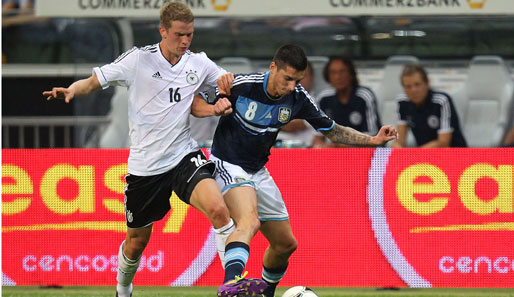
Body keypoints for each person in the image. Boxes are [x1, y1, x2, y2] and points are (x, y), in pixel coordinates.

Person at [42, 3, 265, 297]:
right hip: (145, 167)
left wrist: (223, 96)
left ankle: (233, 283)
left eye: (190, 35)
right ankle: (123, 289)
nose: (185, 41)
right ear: (163, 31)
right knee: (136, 242)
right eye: (179, 35)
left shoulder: (198, 63)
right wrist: (72, 89)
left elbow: (229, 85)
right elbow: (95, 81)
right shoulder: (138, 60)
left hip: (183, 156)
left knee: (218, 209)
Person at [192, 44, 398, 297]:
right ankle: (232, 284)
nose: (291, 86)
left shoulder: (298, 97)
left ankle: (266, 293)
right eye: (287, 78)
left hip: (257, 169)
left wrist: (372, 140)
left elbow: (331, 130)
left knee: (285, 244)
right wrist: (214, 108)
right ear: (273, 67)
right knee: (249, 221)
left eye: (297, 80)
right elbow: (196, 101)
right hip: (227, 163)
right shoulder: (241, 85)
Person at [312, 56, 382, 148]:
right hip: (335, 154)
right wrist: (319, 147)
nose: (338, 77)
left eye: (342, 72)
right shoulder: (324, 98)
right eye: (333, 72)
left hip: (365, 153)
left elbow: (373, 138)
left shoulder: (364, 96)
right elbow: (318, 137)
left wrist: (339, 145)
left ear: (351, 74)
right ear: (328, 76)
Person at [392, 63, 467, 148]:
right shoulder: (402, 102)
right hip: (423, 157)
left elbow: (443, 143)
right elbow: (399, 140)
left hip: (455, 155)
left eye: (417, 84)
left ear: (427, 83)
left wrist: (415, 155)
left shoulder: (441, 101)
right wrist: (397, 148)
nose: (413, 90)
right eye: (408, 86)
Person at [276, 60, 317, 147]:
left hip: (305, 152)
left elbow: (295, 126)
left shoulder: (317, 102)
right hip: (277, 150)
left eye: (303, 75)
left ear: (312, 79)